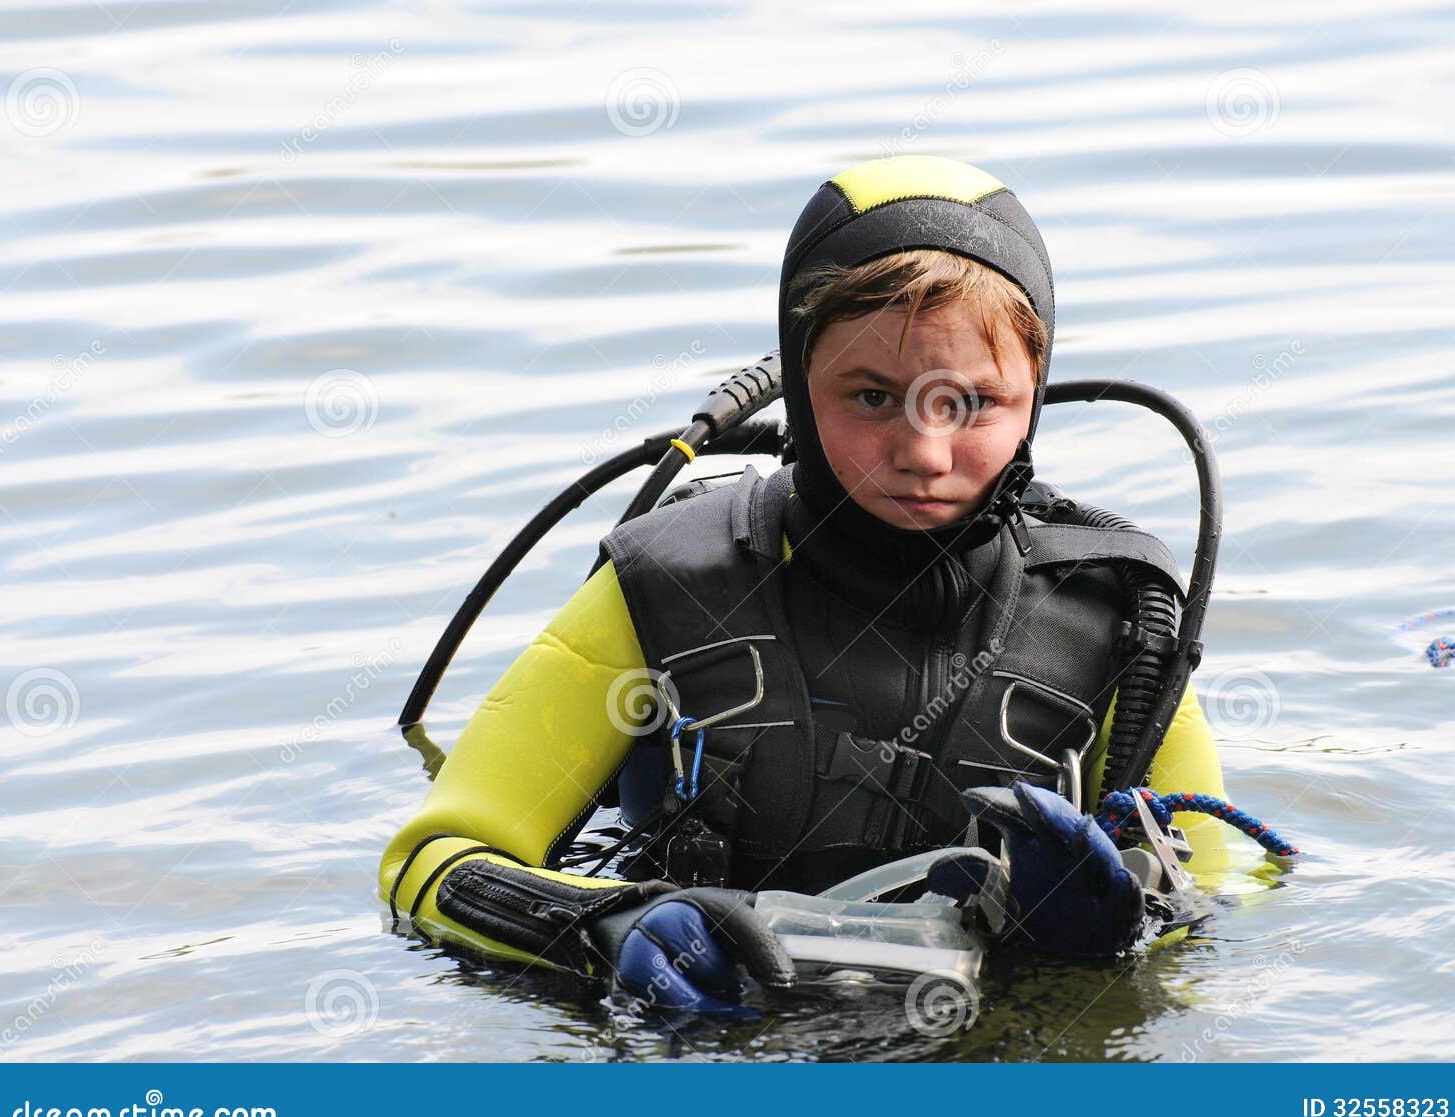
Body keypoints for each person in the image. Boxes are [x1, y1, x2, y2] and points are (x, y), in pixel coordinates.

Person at [379, 155, 1226, 1015]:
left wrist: (1130, 922)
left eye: (972, 404)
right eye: (870, 396)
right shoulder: (665, 588)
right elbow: (432, 861)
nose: (924, 454)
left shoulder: (1121, 619)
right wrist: (604, 926)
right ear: (798, 380)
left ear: (1032, 398)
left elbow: (1237, 891)